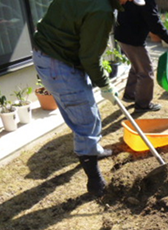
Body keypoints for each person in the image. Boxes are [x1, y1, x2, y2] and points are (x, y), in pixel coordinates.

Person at [32, 0, 133, 197]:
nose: (128, 1)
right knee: (85, 119)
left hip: (51, 54)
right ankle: (95, 181)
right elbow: (89, 58)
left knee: (86, 111)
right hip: (57, 62)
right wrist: (105, 85)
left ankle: (93, 149)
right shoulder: (101, 11)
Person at [113, 0, 168, 113]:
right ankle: (143, 104)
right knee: (146, 72)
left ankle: (131, 94)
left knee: (137, 66)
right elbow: (153, 20)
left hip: (122, 35)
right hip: (132, 39)